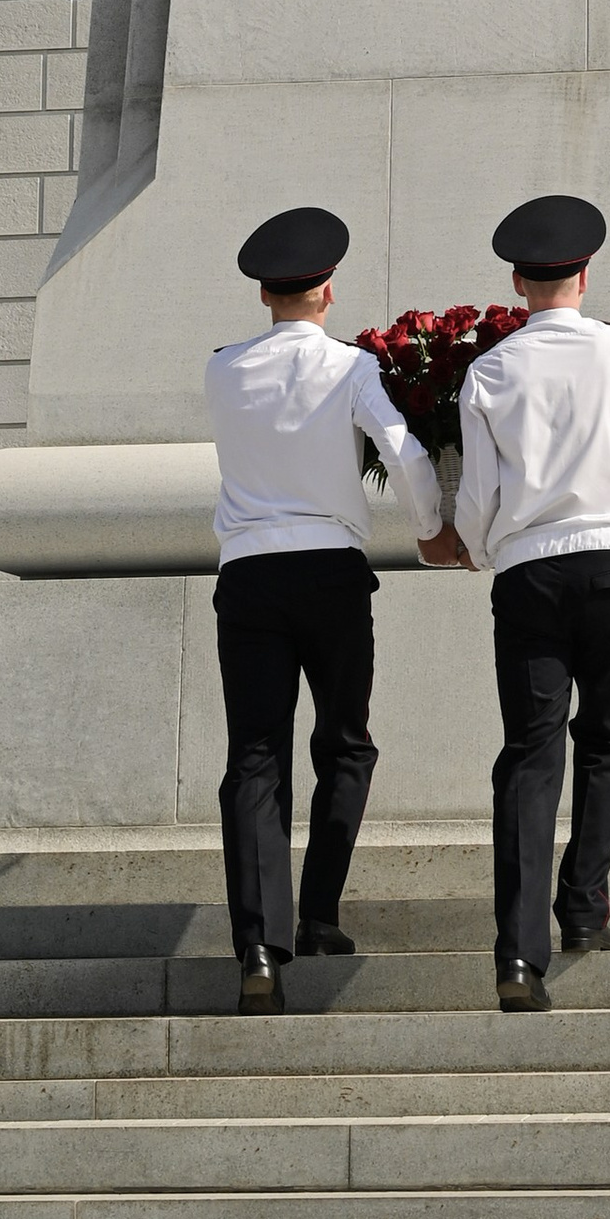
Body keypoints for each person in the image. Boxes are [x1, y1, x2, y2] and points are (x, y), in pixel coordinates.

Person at [205, 205, 462, 1016]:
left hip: (248, 573)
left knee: (255, 757)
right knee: (344, 747)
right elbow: (406, 452)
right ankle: (317, 914)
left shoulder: (222, 369)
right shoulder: (350, 367)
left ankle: (257, 941)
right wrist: (432, 529)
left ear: (264, 295)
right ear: (327, 290)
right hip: (330, 572)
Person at [457, 194, 610, 1012]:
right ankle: (585, 910)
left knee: (528, 753)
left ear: (518, 280)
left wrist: (487, 552)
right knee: (607, 739)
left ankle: (518, 960)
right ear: (585, 275)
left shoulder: (489, 368)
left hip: (529, 574)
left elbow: (478, 499)